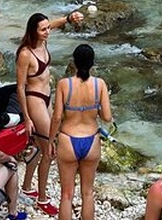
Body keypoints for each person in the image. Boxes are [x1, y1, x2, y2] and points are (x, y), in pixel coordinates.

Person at [15, 10, 84, 217]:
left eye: (47, 28)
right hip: (34, 99)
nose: (47, 32)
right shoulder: (25, 54)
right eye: (43, 29)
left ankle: (27, 186)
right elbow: (20, 87)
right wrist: (26, 118)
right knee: (50, 151)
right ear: (34, 31)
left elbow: (54, 24)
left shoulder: (43, 40)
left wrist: (69, 19)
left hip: (47, 98)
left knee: (39, 145)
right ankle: (42, 198)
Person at [48, 44, 113, 220]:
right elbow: (107, 117)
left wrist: (50, 142)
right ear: (92, 63)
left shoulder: (64, 84)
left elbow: (56, 118)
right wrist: (95, 109)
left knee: (66, 195)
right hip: (91, 140)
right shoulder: (99, 84)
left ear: (74, 62)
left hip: (68, 139)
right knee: (88, 193)